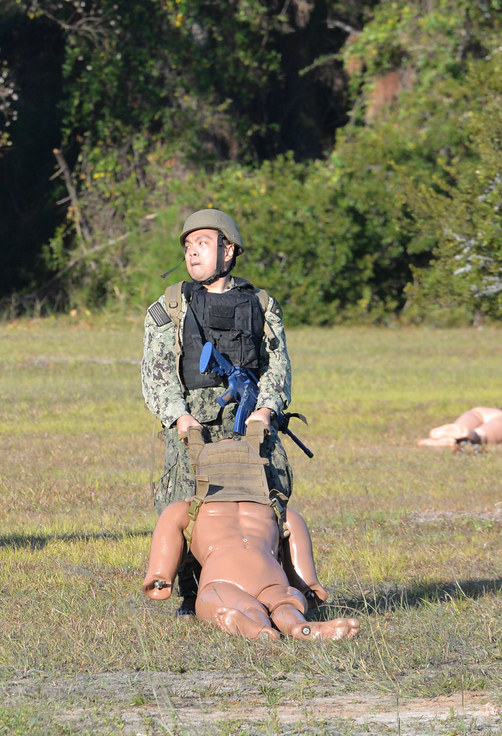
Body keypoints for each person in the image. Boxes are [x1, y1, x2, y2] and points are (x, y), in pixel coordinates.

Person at [141, 209, 293, 615]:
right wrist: (178, 416)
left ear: (228, 251)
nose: (192, 254)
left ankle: (278, 582)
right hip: (195, 418)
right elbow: (155, 369)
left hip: (251, 419)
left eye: (203, 244)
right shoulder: (170, 306)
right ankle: (193, 594)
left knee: (268, 496)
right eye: (188, 247)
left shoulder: (262, 304)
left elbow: (278, 364)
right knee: (186, 500)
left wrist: (266, 408)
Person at [142, 498, 359, 641]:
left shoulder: (187, 508)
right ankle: (297, 624)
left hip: (222, 579)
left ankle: (252, 624)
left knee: (225, 599)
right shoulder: (278, 510)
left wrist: (159, 579)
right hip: (273, 581)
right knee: (285, 603)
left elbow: (162, 560)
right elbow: (304, 573)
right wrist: (308, 589)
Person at [418, 406, 502, 448]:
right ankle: (467, 435)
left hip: (486, 410)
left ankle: (453, 432)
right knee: (481, 434)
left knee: (474, 415)